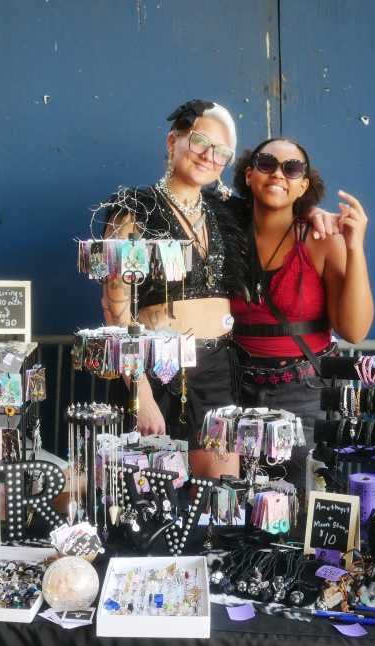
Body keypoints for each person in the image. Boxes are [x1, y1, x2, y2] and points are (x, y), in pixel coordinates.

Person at [230, 138, 374, 489]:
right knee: (234, 502)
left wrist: (354, 247)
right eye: (267, 164)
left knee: (302, 501)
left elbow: (354, 330)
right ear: (248, 174)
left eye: (292, 169)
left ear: (303, 185)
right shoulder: (224, 232)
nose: (278, 174)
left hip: (305, 393)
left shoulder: (321, 239)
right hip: (233, 391)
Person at [99, 100, 245, 445]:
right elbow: (115, 309)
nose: (209, 156)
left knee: (222, 477)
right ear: (172, 141)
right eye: (200, 142)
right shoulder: (135, 211)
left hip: (218, 372)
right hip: (155, 372)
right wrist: (140, 393)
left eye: (221, 152)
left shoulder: (227, 215)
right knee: (154, 476)